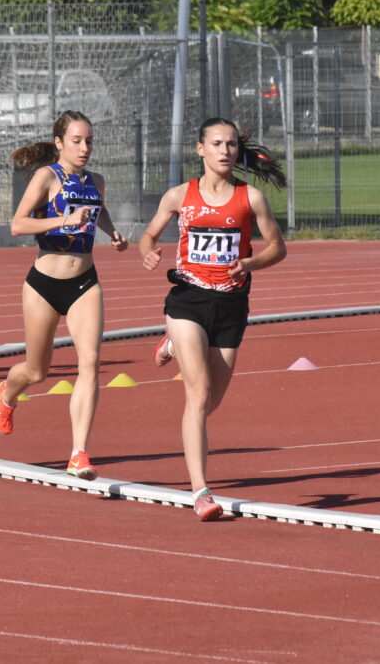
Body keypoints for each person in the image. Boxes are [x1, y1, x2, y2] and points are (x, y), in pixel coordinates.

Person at [138, 117, 287, 521]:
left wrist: (250, 263)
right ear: (200, 149)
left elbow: (278, 248)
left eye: (231, 144)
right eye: (217, 144)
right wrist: (148, 251)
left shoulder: (250, 198)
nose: (225, 151)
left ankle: (172, 344)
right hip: (188, 300)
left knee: (210, 402)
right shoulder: (179, 196)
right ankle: (201, 492)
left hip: (231, 305)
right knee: (198, 393)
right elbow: (149, 235)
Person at [0, 110, 127, 481]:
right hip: (44, 285)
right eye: (76, 141)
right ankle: (8, 393)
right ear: (59, 143)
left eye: (89, 141)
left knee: (90, 362)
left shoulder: (96, 181)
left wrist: (112, 232)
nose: (84, 148)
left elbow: (97, 212)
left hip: (85, 282)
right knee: (37, 371)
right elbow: (18, 225)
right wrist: (64, 220)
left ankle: (79, 453)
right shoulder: (46, 177)